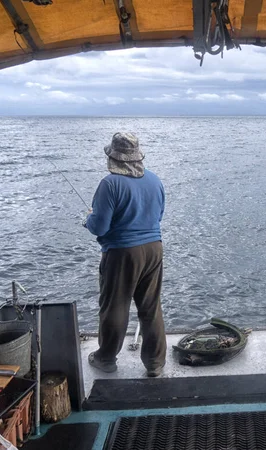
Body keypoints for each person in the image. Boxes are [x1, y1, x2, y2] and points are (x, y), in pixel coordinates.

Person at [83, 132, 166, 377]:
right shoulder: (155, 180)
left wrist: (88, 219)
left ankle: (106, 358)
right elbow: (158, 216)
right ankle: (155, 364)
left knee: (115, 307)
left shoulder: (110, 184)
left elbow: (99, 227)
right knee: (150, 307)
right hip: (154, 248)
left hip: (122, 253)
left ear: (114, 158)